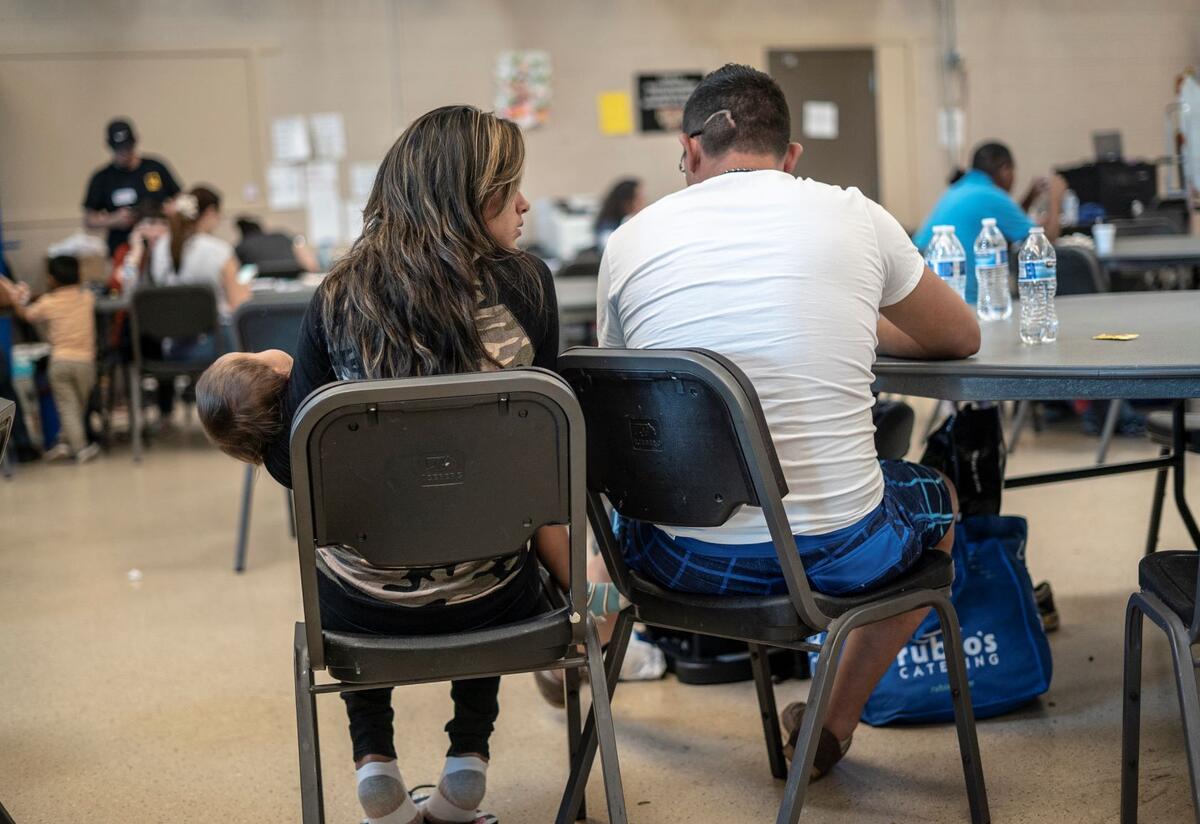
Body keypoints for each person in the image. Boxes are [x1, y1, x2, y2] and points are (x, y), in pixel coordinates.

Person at [597, 64, 980, 781]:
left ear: (686, 151)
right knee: (941, 504)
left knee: (599, 551)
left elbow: (622, 391)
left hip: (674, 561)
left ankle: (584, 641)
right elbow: (959, 335)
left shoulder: (628, 242)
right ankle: (829, 727)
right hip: (840, 554)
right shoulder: (855, 214)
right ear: (792, 156)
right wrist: (853, 322)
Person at [258, 104, 569, 824]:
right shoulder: (527, 287)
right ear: (464, 197)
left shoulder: (333, 298)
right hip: (496, 603)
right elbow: (551, 458)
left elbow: (294, 469)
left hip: (360, 613)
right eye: (508, 188)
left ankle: (375, 762)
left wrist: (275, 395)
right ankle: (467, 764)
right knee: (489, 524)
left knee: (360, 533)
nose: (524, 203)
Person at [914, 141, 1067, 303]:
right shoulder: (992, 195)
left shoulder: (959, 188)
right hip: (969, 301)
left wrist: (1030, 197)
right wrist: (1056, 197)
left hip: (930, 296)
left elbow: (1008, 224)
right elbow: (1046, 239)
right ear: (1005, 170)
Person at [0, 257, 99, 463]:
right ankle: (76, 446)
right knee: (77, 406)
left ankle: (69, 444)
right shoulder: (87, 297)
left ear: (51, 280)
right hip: (86, 364)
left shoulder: (48, 302)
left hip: (60, 362)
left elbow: (28, 315)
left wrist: (18, 301)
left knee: (67, 406)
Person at [150, 185, 250, 323]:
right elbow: (239, 304)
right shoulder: (219, 250)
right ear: (210, 212)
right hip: (216, 336)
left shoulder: (160, 247)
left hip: (171, 338)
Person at [83, 118, 181, 257]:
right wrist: (113, 220)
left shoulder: (155, 168)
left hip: (160, 246)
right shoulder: (102, 178)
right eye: (119, 149)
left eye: (128, 147)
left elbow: (180, 198)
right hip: (122, 248)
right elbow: (89, 219)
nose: (124, 153)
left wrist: (169, 211)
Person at [233, 217, 321, 276]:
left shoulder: (242, 246)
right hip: (295, 274)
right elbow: (311, 264)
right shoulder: (281, 235)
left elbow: (238, 275)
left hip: (261, 285)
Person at [594, 178, 646, 249]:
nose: (643, 203)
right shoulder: (608, 226)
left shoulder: (642, 220)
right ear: (626, 203)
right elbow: (609, 249)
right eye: (639, 199)